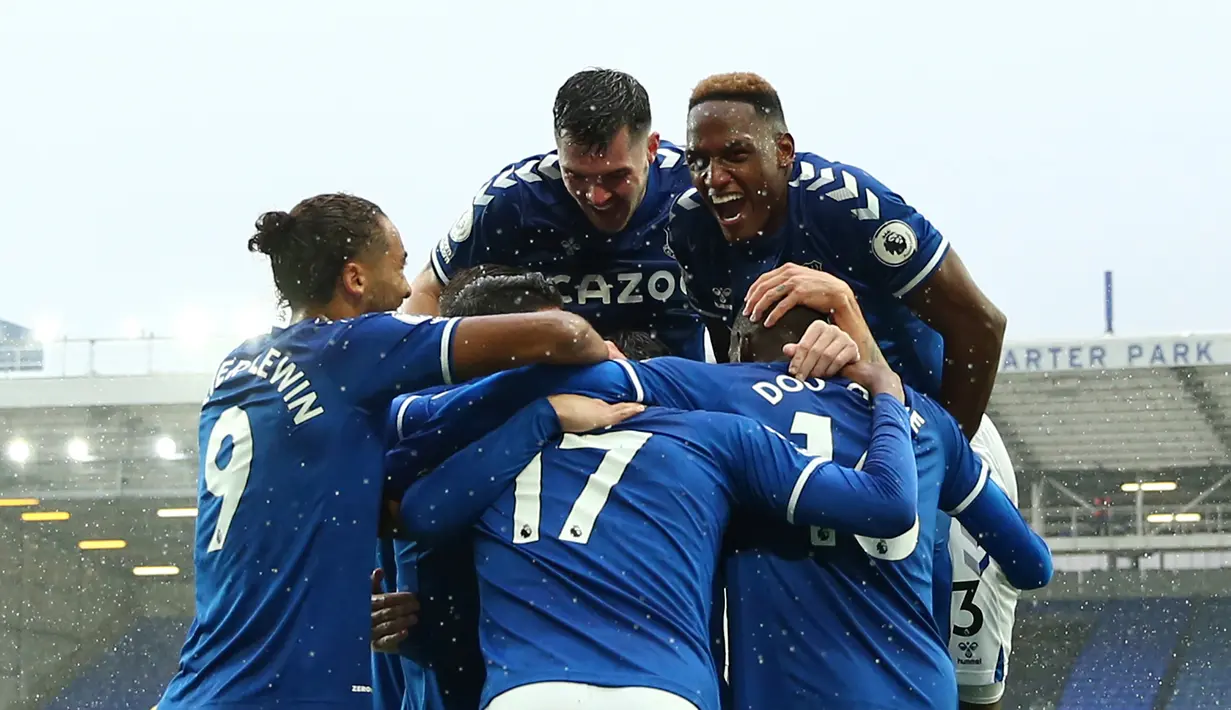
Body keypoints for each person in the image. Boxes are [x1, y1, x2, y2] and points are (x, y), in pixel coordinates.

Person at [374, 272, 1050, 709]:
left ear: (741, 347)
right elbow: (1027, 565)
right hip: (918, 690)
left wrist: (404, 414)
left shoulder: (715, 409)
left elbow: (596, 385)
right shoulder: (921, 420)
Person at [157, 194, 610, 710]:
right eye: (398, 267)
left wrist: (334, 598)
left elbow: (304, 503)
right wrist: (595, 382)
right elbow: (564, 335)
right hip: (286, 693)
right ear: (355, 280)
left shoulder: (238, 366)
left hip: (199, 687)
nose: (406, 291)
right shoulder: (350, 348)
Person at [668, 72, 1019, 708]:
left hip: (926, 427)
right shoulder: (690, 228)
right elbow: (732, 354)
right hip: (815, 442)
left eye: (735, 155)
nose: (714, 178)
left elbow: (980, 325)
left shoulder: (846, 207)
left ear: (783, 150)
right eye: (701, 159)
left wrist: (934, 456)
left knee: (964, 681)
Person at [387, 351, 918, 710]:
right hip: (664, 693)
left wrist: (542, 416)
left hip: (528, 692)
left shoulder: (497, 452)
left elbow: (420, 517)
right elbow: (889, 505)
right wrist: (889, 397)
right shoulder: (719, 435)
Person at [404, 68, 705, 360]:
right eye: (575, 175)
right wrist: (436, 391)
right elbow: (428, 290)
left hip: (677, 390)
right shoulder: (515, 200)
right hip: (556, 393)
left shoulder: (697, 188)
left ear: (651, 149)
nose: (596, 196)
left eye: (615, 177)